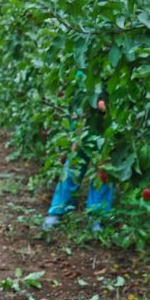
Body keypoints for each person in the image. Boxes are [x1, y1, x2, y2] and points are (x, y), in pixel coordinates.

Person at [42, 91, 114, 233]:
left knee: (104, 169)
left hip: (108, 122)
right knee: (73, 164)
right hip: (85, 121)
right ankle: (58, 211)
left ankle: (96, 217)